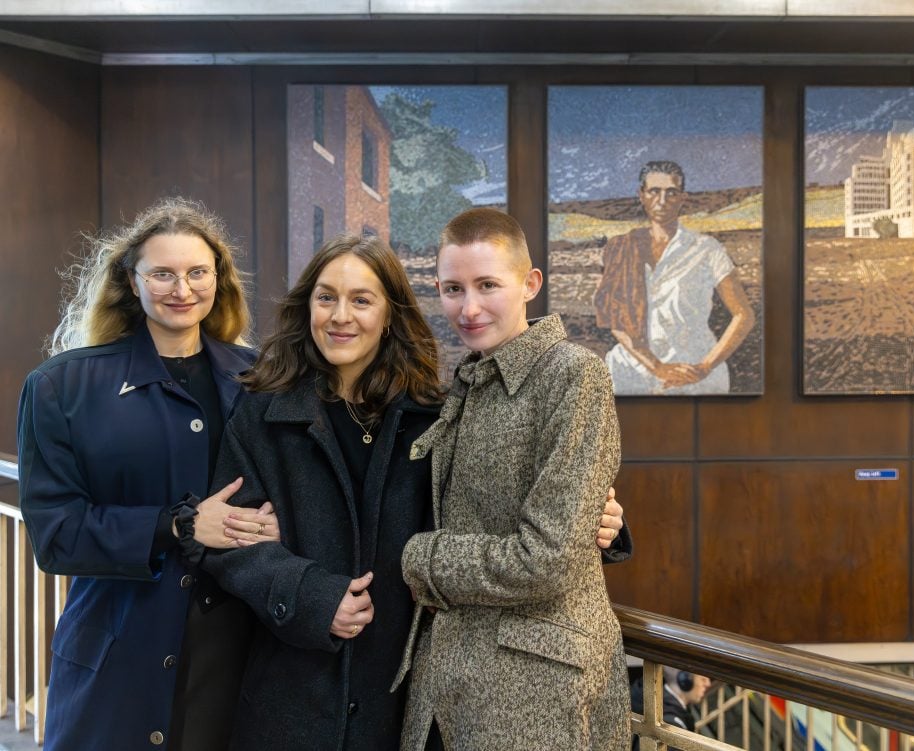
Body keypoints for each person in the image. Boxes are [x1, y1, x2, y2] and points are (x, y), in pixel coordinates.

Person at [201, 234, 628, 751]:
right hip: (294, 689)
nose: (341, 316)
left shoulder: (436, 410)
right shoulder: (261, 410)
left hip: (404, 698)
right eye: (326, 297)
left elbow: (495, 503)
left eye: (361, 300)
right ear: (306, 306)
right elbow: (229, 545)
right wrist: (311, 596)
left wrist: (603, 526)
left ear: (389, 314)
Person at [16, 197, 280, 751]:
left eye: (196, 272)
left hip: (235, 656)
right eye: (162, 273)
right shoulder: (59, 388)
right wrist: (179, 527)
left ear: (218, 280)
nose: (181, 289)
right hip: (116, 655)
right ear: (131, 282)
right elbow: (56, 537)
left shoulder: (260, 379)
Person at [397, 208, 631, 750]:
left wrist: (421, 559)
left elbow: (546, 559)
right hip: (449, 677)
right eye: (453, 289)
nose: (469, 307)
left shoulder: (573, 373)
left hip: (535, 687)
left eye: (487, 286)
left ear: (529, 285)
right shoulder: (468, 379)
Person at [593, 160, 755, 395]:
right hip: (630, 371)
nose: (662, 201)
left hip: (693, 373)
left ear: (682, 198)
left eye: (671, 193)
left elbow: (744, 315)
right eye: (654, 191)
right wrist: (656, 366)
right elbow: (613, 317)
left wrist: (705, 366)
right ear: (641, 195)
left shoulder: (707, 249)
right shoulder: (620, 248)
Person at [630, 669, 712, 746]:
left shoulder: (667, 706)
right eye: (703, 679)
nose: (708, 684)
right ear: (685, 680)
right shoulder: (669, 722)